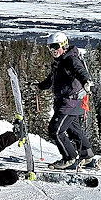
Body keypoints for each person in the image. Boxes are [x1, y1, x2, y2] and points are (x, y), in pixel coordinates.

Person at [37, 31, 94, 170]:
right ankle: (87, 157)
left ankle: (70, 158)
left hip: (70, 103)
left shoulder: (70, 59)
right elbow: (51, 79)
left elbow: (80, 71)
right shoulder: (60, 61)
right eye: (50, 47)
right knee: (74, 131)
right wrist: (40, 86)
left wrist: (86, 81)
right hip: (69, 102)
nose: (53, 50)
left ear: (63, 44)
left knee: (55, 130)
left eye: (55, 46)